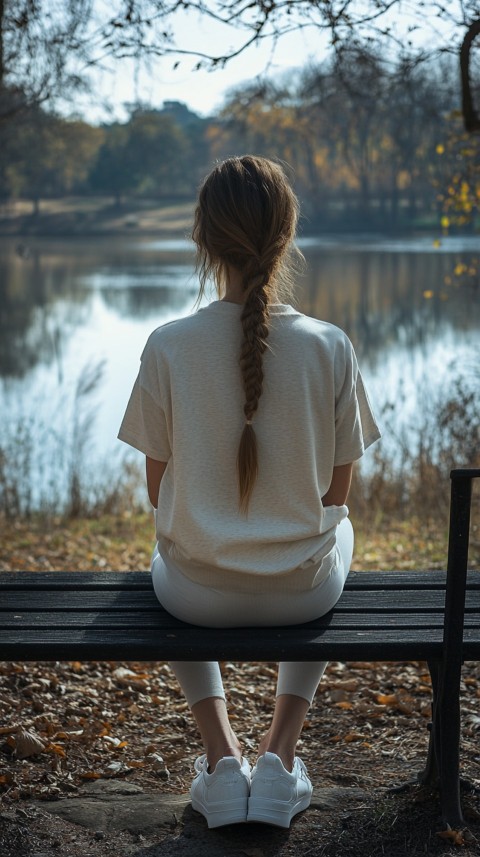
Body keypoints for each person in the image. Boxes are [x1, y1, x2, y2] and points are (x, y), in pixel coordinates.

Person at [118, 155, 381, 830]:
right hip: (303, 588)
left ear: (203, 239)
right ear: (287, 235)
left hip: (194, 593)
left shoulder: (167, 344)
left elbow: (158, 491)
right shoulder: (331, 344)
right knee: (341, 531)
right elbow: (337, 490)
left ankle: (222, 755)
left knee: (171, 540)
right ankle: (278, 758)